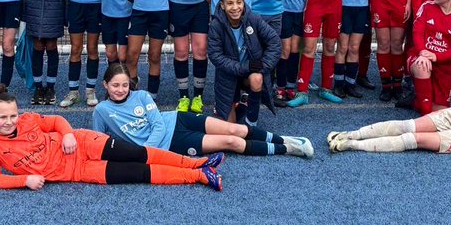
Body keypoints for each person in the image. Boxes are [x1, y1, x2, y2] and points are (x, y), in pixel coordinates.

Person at [0, 85, 223, 191]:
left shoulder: (28, 119)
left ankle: (197, 162)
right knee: (137, 174)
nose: (9, 121)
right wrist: (25, 181)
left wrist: (66, 135)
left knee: (139, 154)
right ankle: (199, 176)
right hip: (79, 171)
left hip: (84, 143)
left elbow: (55, 121)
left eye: (13, 114)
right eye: (2, 118)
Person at [92, 63, 314, 158]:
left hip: (177, 120)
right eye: (115, 85)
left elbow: (158, 124)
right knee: (231, 143)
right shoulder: (101, 111)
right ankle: (288, 149)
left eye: (124, 85)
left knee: (234, 129)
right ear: (105, 86)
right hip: (172, 144)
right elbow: (99, 142)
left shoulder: (141, 95)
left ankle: (284, 139)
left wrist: (146, 152)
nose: (120, 90)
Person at [208, 0, 281, 125]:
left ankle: (251, 121)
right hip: (228, 75)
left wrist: (262, 65)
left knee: (257, 79)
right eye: (230, 3)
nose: (235, 7)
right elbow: (215, 56)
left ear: (243, 2)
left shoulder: (253, 18)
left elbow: (275, 42)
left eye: (239, 2)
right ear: (222, 5)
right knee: (230, 129)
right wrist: (245, 67)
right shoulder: (216, 25)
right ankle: (240, 105)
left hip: (249, 73)